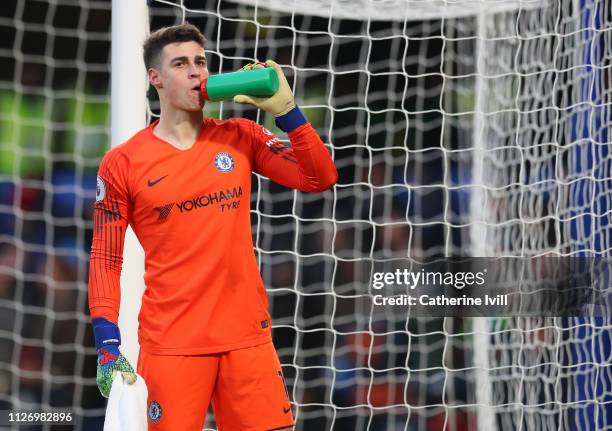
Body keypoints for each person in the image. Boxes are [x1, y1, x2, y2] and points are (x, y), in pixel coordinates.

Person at [88, 23, 337, 430]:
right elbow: (105, 257)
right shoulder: (123, 163)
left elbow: (319, 178)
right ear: (156, 79)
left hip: (247, 338)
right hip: (172, 345)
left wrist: (288, 113)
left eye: (200, 62)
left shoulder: (242, 136)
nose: (195, 72)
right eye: (181, 63)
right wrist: (107, 341)